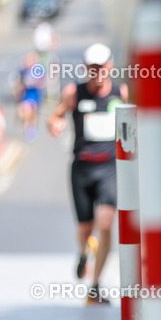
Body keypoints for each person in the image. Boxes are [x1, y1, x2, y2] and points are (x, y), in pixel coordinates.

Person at [47, 43, 123, 305]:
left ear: (110, 67)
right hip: (81, 168)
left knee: (105, 224)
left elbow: (134, 124)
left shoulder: (119, 93)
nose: (97, 73)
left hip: (109, 168)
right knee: (85, 227)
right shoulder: (73, 93)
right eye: (92, 68)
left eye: (101, 67)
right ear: (85, 69)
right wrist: (55, 124)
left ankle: (96, 285)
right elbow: (54, 116)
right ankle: (83, 253)